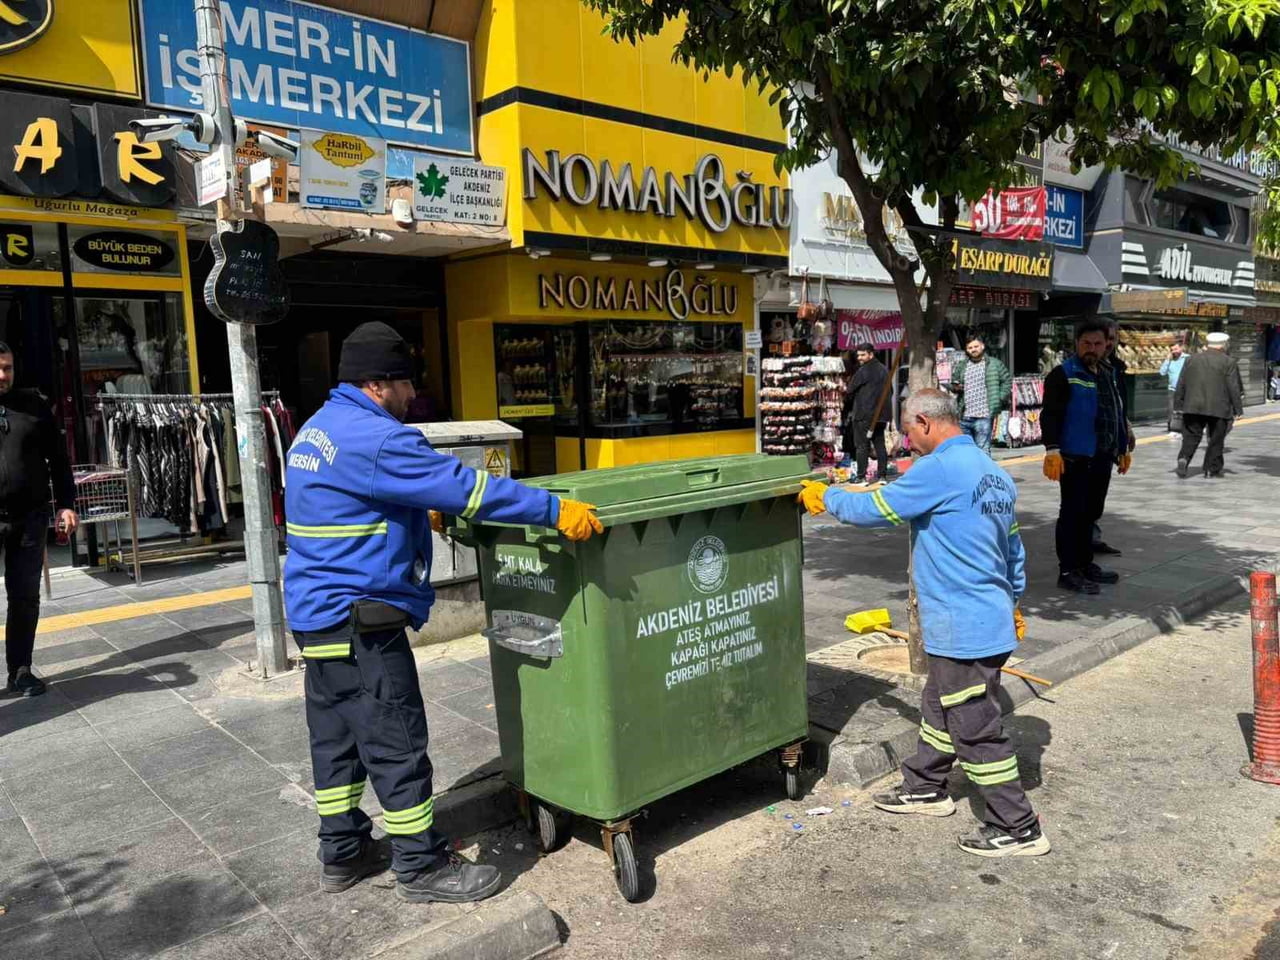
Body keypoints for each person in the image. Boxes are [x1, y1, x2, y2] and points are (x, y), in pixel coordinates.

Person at [283, 322, 603, 904]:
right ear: (379, 384)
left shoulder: (314, 430)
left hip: (316, 618)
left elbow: (347, 508)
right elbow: (473, 490)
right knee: (396, 742)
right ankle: (422, 867)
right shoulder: (379, 439)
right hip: (361, 621)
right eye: (407, 385)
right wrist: (554, 510)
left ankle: (343, 853)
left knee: (337, 743)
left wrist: (409, 517)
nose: (414, 397)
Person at [798, 389, 1048, 858]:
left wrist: (826, 495)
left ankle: (1016, 826)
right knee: (939, 706)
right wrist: (1012, 601)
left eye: (907, 431)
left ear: (926, 422)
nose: (905, 442)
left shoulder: (940, 470)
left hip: (962, 628)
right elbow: (1014, 551)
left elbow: (875, 509)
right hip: (989, 620)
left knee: (974, 727)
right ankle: (925, 788)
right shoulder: (994, 475)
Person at [0, 344, 77, 698]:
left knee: (25, 598)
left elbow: (59, 461)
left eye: (8, 368)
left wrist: (66, 505)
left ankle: (20, 670)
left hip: (29, 518)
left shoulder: (34, 407)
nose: (3, 375)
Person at [1041, 320, 1131, 595]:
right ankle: (1068, 571)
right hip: (1074, 457)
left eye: (1097, 344)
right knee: (1072, 514)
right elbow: (1050, 415)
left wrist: (1123, 446)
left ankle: (1085, 563)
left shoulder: (1108, 372)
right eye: (1086, 344)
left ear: (1107, 345)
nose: (1091, 349)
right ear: (1077, 344)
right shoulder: (1063, 374)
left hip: (1102, 455)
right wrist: (1052, 449)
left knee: (1091, 513)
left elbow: (1116, 410)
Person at [1089, 322, 1133, 558]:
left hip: (1108, 445)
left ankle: (1092, 539)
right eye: (1105, 339)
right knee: (1083, 502)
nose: (1108, 344)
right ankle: (1079, 553)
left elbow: (1117, 404)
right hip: (1087, 447)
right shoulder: (1082, 369)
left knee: (1098, 497)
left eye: (1113, 339)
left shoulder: (1114, 367)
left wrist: (1126, 429)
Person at [1174, 331, 1244, 479]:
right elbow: (1233, 387)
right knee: (1215, 438)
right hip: (1219, 407)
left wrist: (1178, 404)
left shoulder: (1191, 359)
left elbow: (1181, 383)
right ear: (1224, 345)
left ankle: (1184, 458)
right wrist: (1238, 409)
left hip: (1192, 406)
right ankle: (1211, 469)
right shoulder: (1228, 362)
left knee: (1191, 436)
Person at [948, 334, 1011, 454]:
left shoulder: (994, 364)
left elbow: (1007, 381)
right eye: (970, 348)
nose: (973, 349)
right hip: (965, 416)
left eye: (976, 346)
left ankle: (984, 473)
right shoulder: (962, 366)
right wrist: (955, 387)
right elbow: (954, 382)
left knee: (983, 451)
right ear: (967, 350)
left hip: (984, 415)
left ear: (982, 346)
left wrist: (998, 398)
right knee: (965, 451)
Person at [843, 342, 889, 483]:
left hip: (864, 415)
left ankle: (861, 477)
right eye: (858, 355)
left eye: (863, 355)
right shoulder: (884, 370)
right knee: (880, 444)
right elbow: (890, 391)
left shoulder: (863, 371)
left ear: (871, 354)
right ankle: (882, 476)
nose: (860, 358)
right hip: (881, 415)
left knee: (862, 445)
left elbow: (849, 390)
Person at [1159, 341, 1187, 434]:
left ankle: (1184, 427)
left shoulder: (1187, 358)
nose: (1174, 351)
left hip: (1185, 389)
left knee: (1184, 409)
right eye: (1172, 350)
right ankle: (1171, 428)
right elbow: (1162, 372)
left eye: (1176, 349)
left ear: (1181, 348)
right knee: (1171, 409)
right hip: (1172, 389)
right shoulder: (1170, 360)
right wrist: (1167, 360)